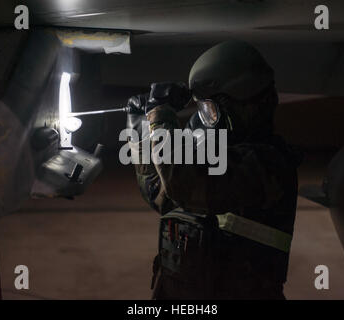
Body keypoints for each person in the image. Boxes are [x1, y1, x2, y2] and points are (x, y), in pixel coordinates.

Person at [126, 40, 301, 299]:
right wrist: (139, 123)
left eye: (210, 110)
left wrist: (160, 117)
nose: (205, 120)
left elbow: (182, 183)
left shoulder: (267, 165)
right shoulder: (211, 151)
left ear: (244, 107)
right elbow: (160, 195)